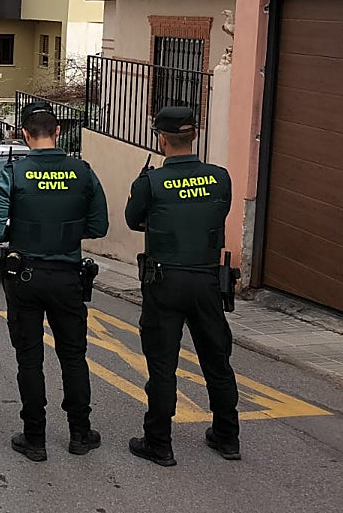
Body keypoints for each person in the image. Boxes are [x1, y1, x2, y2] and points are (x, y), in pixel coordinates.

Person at [0, 102, 109, 462]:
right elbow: (99, 226)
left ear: (24, 135)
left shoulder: (14, 173)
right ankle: (80, 435)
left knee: (29, 359)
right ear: (58, 133)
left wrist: (24, 233)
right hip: (68, 276)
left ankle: (34, 437)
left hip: (25, 275)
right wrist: (65, 236)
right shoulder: (82, 172)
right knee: (74, 356)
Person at [124, 106, 240, 467]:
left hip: (165, 281)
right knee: (217, 361)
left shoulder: (151, 182)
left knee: (162, 365)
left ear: (160, 138)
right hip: (207, 281)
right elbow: (217, 214)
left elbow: (132, 220)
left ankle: (159, 443)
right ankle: (227, 437)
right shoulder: (220, 178)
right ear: (194, 136)